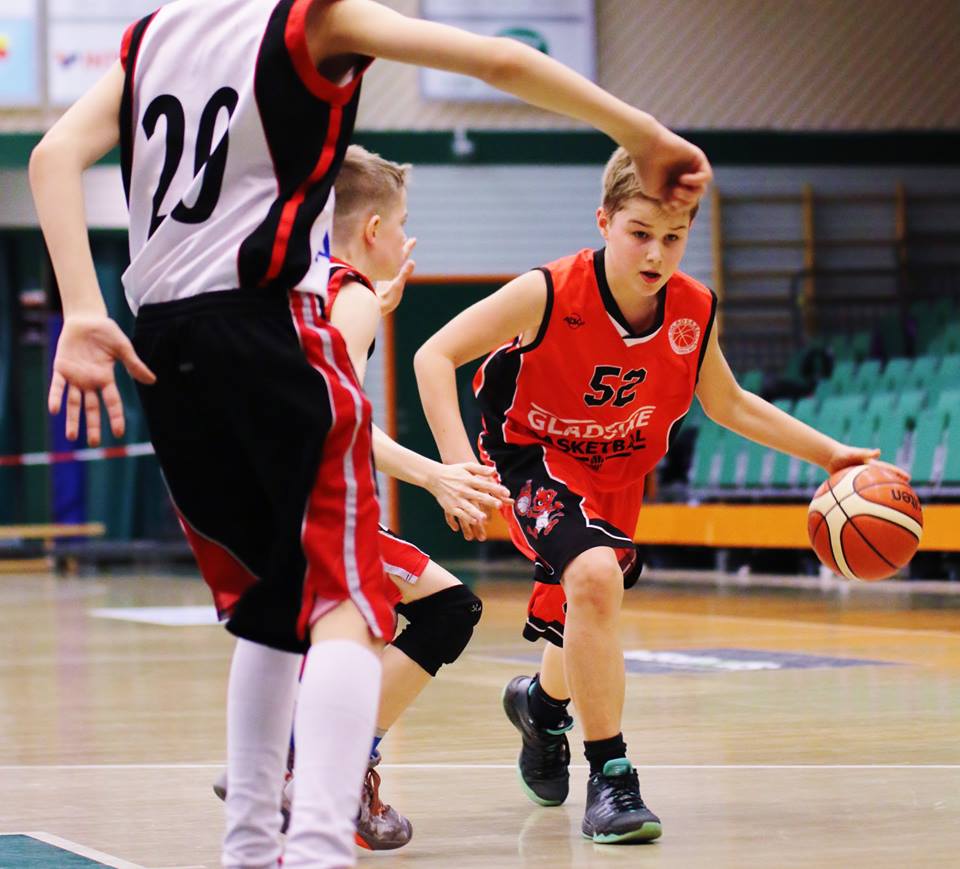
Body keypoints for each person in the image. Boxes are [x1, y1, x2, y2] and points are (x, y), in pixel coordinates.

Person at [30, 0, 711, 864]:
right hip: (265, 320)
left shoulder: (153, 32)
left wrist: (82, 309)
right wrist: (640, 132)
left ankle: (252, 845)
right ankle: (320, 841)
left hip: (161, 339)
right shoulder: (310, 18)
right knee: (346, 611)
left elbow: (52, 155)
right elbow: (498, 62)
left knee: (268, 610)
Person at [414, 146, 909, 844]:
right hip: (532, 455)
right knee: (593, 577)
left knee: (584, 606)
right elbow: (433, 354)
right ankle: (611, 775)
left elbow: (729, 402)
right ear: (605, 221)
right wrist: (457, 467)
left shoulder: (692, 310)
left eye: (673, 237)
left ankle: (543, 707)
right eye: (639, 233)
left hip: (617, 469)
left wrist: (828, 452)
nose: (656, 253)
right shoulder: (547, 292)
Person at [212, 144, 496, 851]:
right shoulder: (353, 298)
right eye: (400, 224)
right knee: (445, 610)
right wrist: (435, 475)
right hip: (315, 504)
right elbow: (328, 415)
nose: (404, 237)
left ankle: (283, 763)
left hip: (251, 497)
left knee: (313, 631)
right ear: (373, 229)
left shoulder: (301, 283)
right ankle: (321, 766)